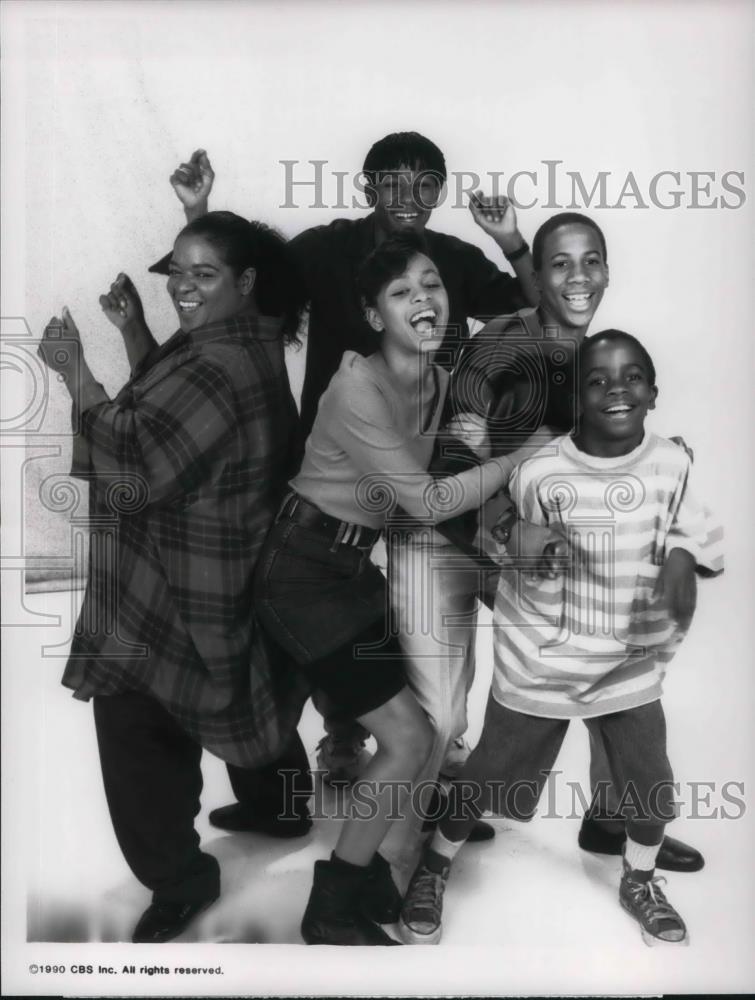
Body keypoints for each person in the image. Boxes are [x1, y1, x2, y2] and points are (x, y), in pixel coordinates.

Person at [152, 137, 539, 786]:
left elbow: (536, 316)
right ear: (367, 190)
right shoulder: (324, 250)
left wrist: (512, 242)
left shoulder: (450, 258)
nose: (409, 197)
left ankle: (442, 749)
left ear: (438, 194)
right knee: (334, 612)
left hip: (433, 468)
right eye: (393, 182)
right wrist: (199, 209)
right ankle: (342, 734)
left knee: (438, 616)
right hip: (336, 476)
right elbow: (241, 289)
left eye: (424, 184)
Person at [254, 234, 539, 945]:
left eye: (432, 285)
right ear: (374, 316)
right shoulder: (355, 387)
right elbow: (428, 500)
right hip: (302, 572)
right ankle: (331, 907)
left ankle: (371, 871)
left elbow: (528, 329)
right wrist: (511, 461)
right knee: (409, 739)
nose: (423, 300)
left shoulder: (439, 382)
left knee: (425, 728)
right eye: (401, 292)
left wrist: (481, 439)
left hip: (353, 569)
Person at [37, 212, 313, 944]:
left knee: (133, 719)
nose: (183, 289)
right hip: (234, 567)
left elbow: (133, 454)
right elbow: (172, 405)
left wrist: (75, 372)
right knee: (251, 682)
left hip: (170, 579)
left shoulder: (214, 366)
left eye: (204, 274)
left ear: (244, 281)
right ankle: (280, 809)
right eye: (178, 274)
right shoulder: (247, 340)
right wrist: (132, 330)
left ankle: (180, 881)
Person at [399, 329, 723, 947]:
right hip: (540, 659)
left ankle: (641, 877)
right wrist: (518, 539)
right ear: (575, 398)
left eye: (632, 377)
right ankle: (435, 862)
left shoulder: (672, 460)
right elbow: (496, 525)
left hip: (628, 661)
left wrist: (681, 558)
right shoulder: (542, 469)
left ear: (653, 393)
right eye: (597, 380)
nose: (616, 390)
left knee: (650, 780)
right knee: (489, 776)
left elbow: (688, 516)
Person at [424, 211, 705, 873]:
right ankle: (434, 829)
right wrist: (504, 530)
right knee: (466, 706)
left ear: (606, 270)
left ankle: (614, 820)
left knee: (619, 649)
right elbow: (449, 462)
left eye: (591, 262)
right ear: (539, 277)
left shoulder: (597, 353)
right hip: (474, 540)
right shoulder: (497, 345)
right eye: (559, 264)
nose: (578, 278)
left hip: (559, 550)